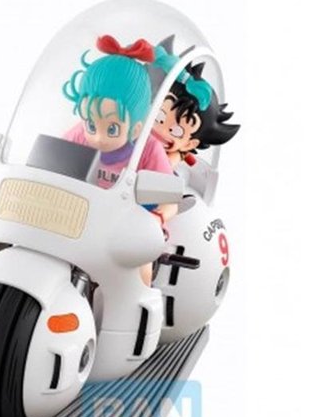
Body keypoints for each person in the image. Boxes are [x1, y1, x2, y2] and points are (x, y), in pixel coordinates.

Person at [62, 35, 178, 284]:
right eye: (91, 124)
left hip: (129, 228)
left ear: (136, 127)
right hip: (83, 220)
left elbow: (171, 201)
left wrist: (156, 218)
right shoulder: (78, 135)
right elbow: (53, 165)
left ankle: (141, 305)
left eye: (112, 128)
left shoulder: (148, 149)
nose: (98, 137)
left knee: (139, 266)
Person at [149, 35, 239, 168]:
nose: (161, 130)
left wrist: (178, 156)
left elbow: (162, 169)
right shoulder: (141, 135)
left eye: (176, 131)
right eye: (158, 117)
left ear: (189, 144)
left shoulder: (171, 157)